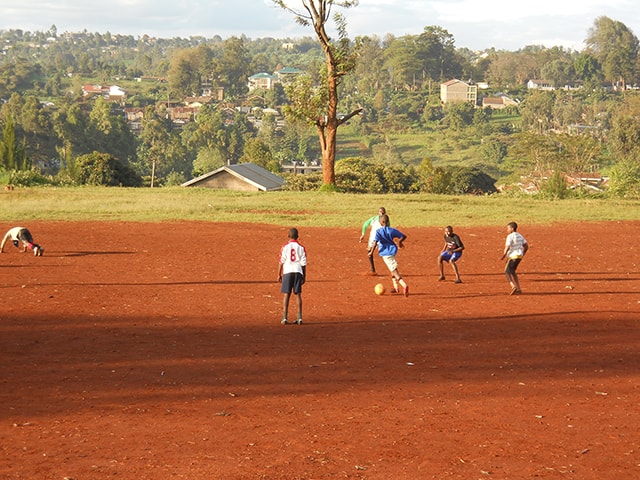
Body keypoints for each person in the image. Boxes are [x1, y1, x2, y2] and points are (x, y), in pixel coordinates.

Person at [374, 214, 409, 296]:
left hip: (386, 254)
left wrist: (371, 252)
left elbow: (375, 242)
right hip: (392, 251)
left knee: (394, 271)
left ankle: (404, 285)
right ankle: (396, 287)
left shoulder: (378, 231)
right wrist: (400, 242)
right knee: (391, 268)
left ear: (381, 222)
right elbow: (403, 236)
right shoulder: (391, 230)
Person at [278, 227, 307, 325]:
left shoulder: (285, 247)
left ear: (288, 236)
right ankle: (299, 317)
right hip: (298, 271)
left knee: (287, 294)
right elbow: (303, 263)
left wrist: (279, 274)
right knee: (298, 294)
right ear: (298, 236)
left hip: (288, 271)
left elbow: (281, 261)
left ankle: (284, 317)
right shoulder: (301, 247)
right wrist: (304, 275)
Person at [501, 221, 529, 295]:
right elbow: (526, 246)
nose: (507, 230)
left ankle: (513, 286)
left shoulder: (510, 236)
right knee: (513, 271)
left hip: (513, 256)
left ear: (512, 229)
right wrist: (523, 253)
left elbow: (507, 246)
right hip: (519, 256)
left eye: (508, 228)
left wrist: (504, 255)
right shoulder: (520, 235)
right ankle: (519, 288)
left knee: (507, 271)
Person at [359, 206, 387, 273]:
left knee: (385, 253)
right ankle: (372, 269)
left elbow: (387, 229)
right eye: (380, 212)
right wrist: (363, 234)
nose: (381, 214)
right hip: (373, 238)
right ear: (378, 212)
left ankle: (391, 267)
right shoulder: (374, 219)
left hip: (380, 238)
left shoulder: (385, 220)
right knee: (369, 252)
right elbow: (365, 224)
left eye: (382, 213)